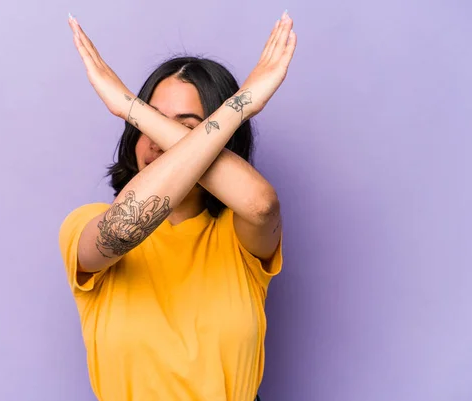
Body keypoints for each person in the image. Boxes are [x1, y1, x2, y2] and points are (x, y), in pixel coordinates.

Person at [59, 10, 296, 401]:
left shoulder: (238, 237)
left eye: (186, 128)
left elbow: (261, 204)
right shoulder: (85, 224)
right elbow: (121, 230)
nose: (155, 142)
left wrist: (239, 106)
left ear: (222, 144)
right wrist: (138, 112)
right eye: (148, 124)